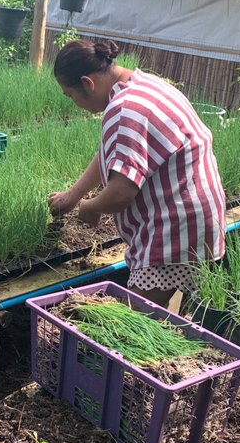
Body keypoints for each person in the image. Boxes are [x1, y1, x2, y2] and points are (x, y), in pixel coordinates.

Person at [48, 40, 226, 308]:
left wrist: (91, 207)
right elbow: (114, 156)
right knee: (166, 320)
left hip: (173, 230)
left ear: (87, 83)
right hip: (195, 218)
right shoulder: (142, 84)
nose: (74, 104)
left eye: (70, 95)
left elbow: (121, 193)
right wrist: (73, 195)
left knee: (137, 323)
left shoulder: (124, 110)